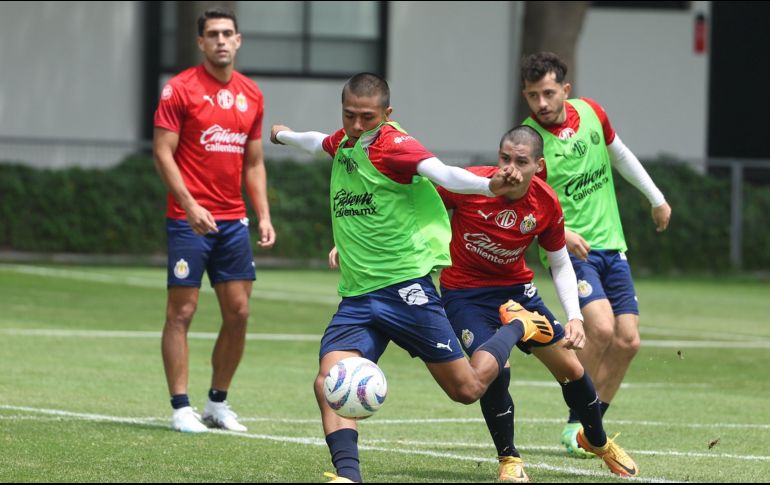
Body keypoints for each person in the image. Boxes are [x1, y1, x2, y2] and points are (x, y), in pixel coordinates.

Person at [270, 72, 553, 483]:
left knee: (467, 389)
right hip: (358, 295)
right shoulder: (347, 142)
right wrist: (284, 136)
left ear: (387, 113)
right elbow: (319, 141)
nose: (357, 125)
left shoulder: (396, 146)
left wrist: (487, 184)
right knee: (330, 382)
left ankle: (518, 325)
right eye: (349, 115)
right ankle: (349, 476)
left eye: (367, 117)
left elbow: (442, 173)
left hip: (406, 290)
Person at [438, 125, 638, 480]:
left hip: (518, 292)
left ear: (538, 166)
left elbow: (559, 263)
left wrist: (574, 317)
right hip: (465, 295)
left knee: (572, 370)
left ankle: (598, 442)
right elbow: (417, 204)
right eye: (505, 159)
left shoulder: (545, 201)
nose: (510, 169)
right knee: (495, 371)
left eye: (521, 161)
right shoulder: (470, 184)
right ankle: (509, 459)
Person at [518, 52, 672, 457]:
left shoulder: (591, 113)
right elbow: (525, 202)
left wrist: (656, 198)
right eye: (533, 96)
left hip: (612, 245)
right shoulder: (529, 142)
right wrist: (562, 232)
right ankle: (576, 421)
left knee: (628, 340)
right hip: (571, 250)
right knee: (600, 329)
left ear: (565, 90)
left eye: (548, 93)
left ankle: (593, 426)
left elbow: (620, 155)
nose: (542, 103)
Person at [153, 7, 275, 433]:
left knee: (239, 312)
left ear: (238, 40)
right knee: (182, 312)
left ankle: (217, 404)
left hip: (233, 220)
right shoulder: (179, 89)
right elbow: (162, 152)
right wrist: (189, 205)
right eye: (213, 34)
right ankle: (180, 408)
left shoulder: (251, 94)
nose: (221, 40)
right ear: (201, 42)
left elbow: (254, 163)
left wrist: (263, 214)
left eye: (227, 33)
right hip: (187, 220)